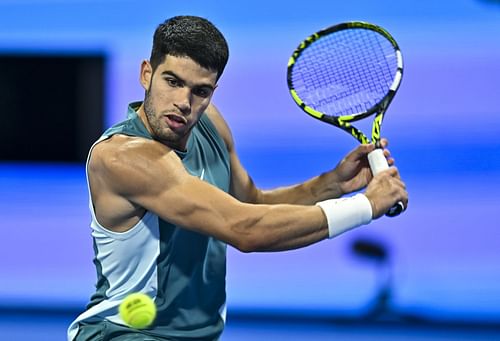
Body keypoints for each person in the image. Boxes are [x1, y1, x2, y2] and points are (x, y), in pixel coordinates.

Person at [68, 15, 408, 341]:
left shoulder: (211, 124)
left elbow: (250, 204)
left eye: (200, 91)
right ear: (146, 74)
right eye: (172, 82)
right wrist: (367, 205)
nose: (183, 102)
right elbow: (245, 229)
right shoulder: (122, 157)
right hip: (125, 334)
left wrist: (332, 184)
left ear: (213, 90)